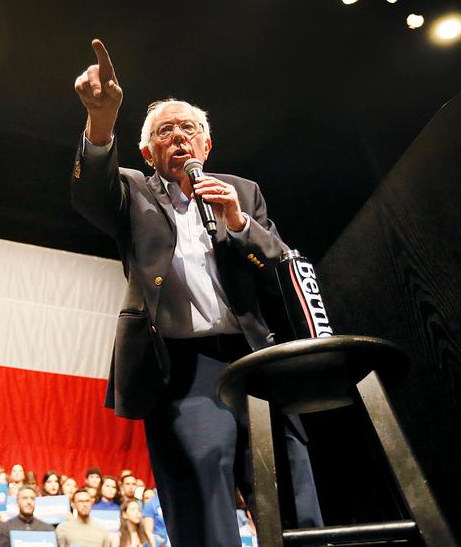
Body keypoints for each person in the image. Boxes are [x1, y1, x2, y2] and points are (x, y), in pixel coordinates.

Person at [71, 39, 322, 547]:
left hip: (255, 357)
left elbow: (280, 270)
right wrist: (101, 119)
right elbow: (90, 192)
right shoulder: (133, 192)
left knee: (291, 484)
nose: (180, 137)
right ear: (148, 152)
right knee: (203, 489)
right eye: (166, 131)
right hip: (182, 370)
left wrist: (239, 222)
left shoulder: (243, 192)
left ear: (207, 147)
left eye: (191, 129)